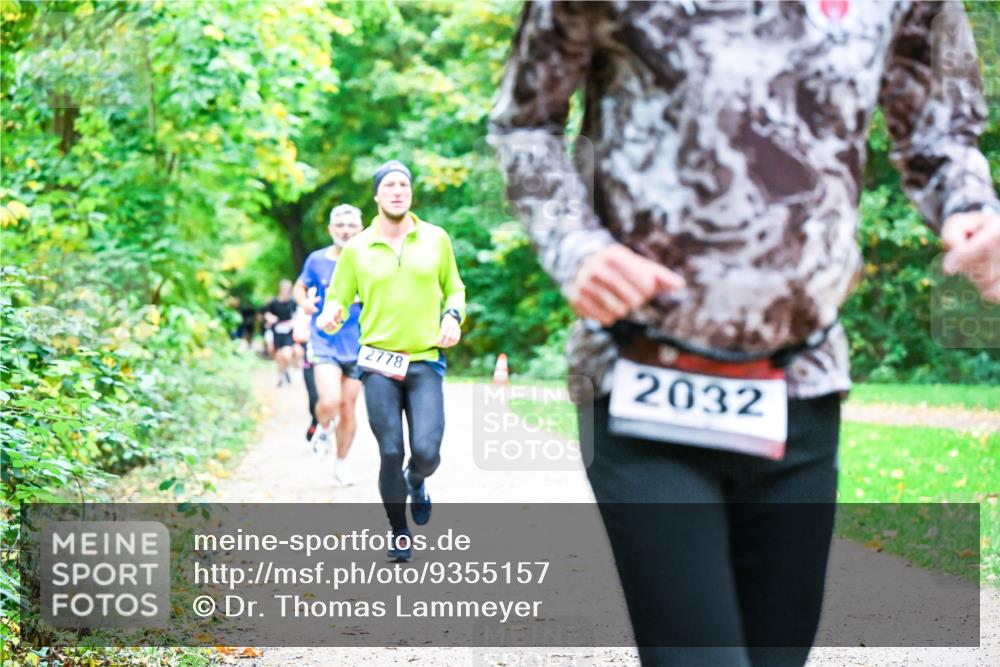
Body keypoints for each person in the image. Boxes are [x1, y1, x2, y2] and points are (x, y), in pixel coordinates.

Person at [489, 2, 1000, 666]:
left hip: (801, 384)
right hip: (640, 373)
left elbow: (940, 130)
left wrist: (969, 206)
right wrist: (573, 245)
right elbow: (525, 121)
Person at [317, 161, 466, 562]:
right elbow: (338, 296)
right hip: (377, 362)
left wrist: (452, 316)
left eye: (404, 184)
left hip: (424, 361)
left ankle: (417, 482)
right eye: (389, 185)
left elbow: (454, 289)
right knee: (389, 451)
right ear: (377, 196)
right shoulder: (357, 248)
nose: (398, 191)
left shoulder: (436, 239)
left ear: (411, 193)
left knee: (427, 452)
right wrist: (330, 312)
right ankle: (399, 532)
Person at [294, 204, 366, 485]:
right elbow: (300, 287)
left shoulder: (369, 260)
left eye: (351, 225)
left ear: (360, 229)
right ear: (331, 229)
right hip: (324, 341)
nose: (346, 230)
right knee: (330, 400)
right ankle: (323, 427)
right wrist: (305, 303)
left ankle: (342, 462)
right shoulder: (316, 260)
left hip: (359, 344)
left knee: (348, 407)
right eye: (340, 225)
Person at [263, 280, 297, 387]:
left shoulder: (292, 302)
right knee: (278, 357)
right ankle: (281, 376)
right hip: (276, 332)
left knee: (286, 355)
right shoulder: (273, 302)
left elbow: (296, 315)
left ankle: (285, 370)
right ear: (281, 289)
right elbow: (266, 314)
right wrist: (270, 318)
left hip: (287, 332)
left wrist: (293, 322)